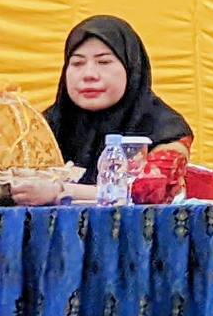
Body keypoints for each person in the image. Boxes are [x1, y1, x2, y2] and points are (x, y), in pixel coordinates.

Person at [30, 15, 195, 204]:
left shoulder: (165, 129)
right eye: (77, 63)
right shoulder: (42, 128)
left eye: (104, 62)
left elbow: (149, 193)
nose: (89, 75)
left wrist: (61, 191)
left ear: (132, 68)